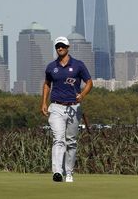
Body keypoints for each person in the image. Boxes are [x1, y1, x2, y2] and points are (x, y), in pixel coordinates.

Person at [41, 36, 93, 183]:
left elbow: (89, 82)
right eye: (58, 46)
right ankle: (57, 172)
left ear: (68, 47)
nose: (60, 48)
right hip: (56, 107)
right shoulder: (51, 67)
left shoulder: (78, 65)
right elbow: (47, 84)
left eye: (62, 46)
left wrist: (82, 94)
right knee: (58, 139)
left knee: (71, 141)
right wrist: (43, 102)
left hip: (74, 108)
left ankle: (68, 172)